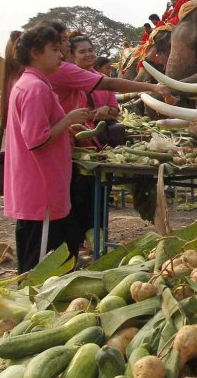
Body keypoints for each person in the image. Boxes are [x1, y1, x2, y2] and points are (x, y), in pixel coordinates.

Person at [42, 22, 173, 259]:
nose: (88, 54)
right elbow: (110, 83)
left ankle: (82, 245)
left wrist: (104, 112)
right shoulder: (64, 72)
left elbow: (113, 106)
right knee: (73, 201)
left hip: (92, 146)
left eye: (90, 50)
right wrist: (152, 87)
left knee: (89, 199)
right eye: (63, 43)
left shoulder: (82, 74)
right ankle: (67, 252)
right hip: (70, 146)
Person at [3, 25, 91, 273]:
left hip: (39, 190)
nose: (61, 55)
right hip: (41, 192)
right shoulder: (35, 88)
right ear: (35, 53)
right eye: (54, 50)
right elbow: (36, 139)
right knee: (38, 271)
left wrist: (64, 127)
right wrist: (68, 120)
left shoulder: (30, 84)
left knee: (39, 263)